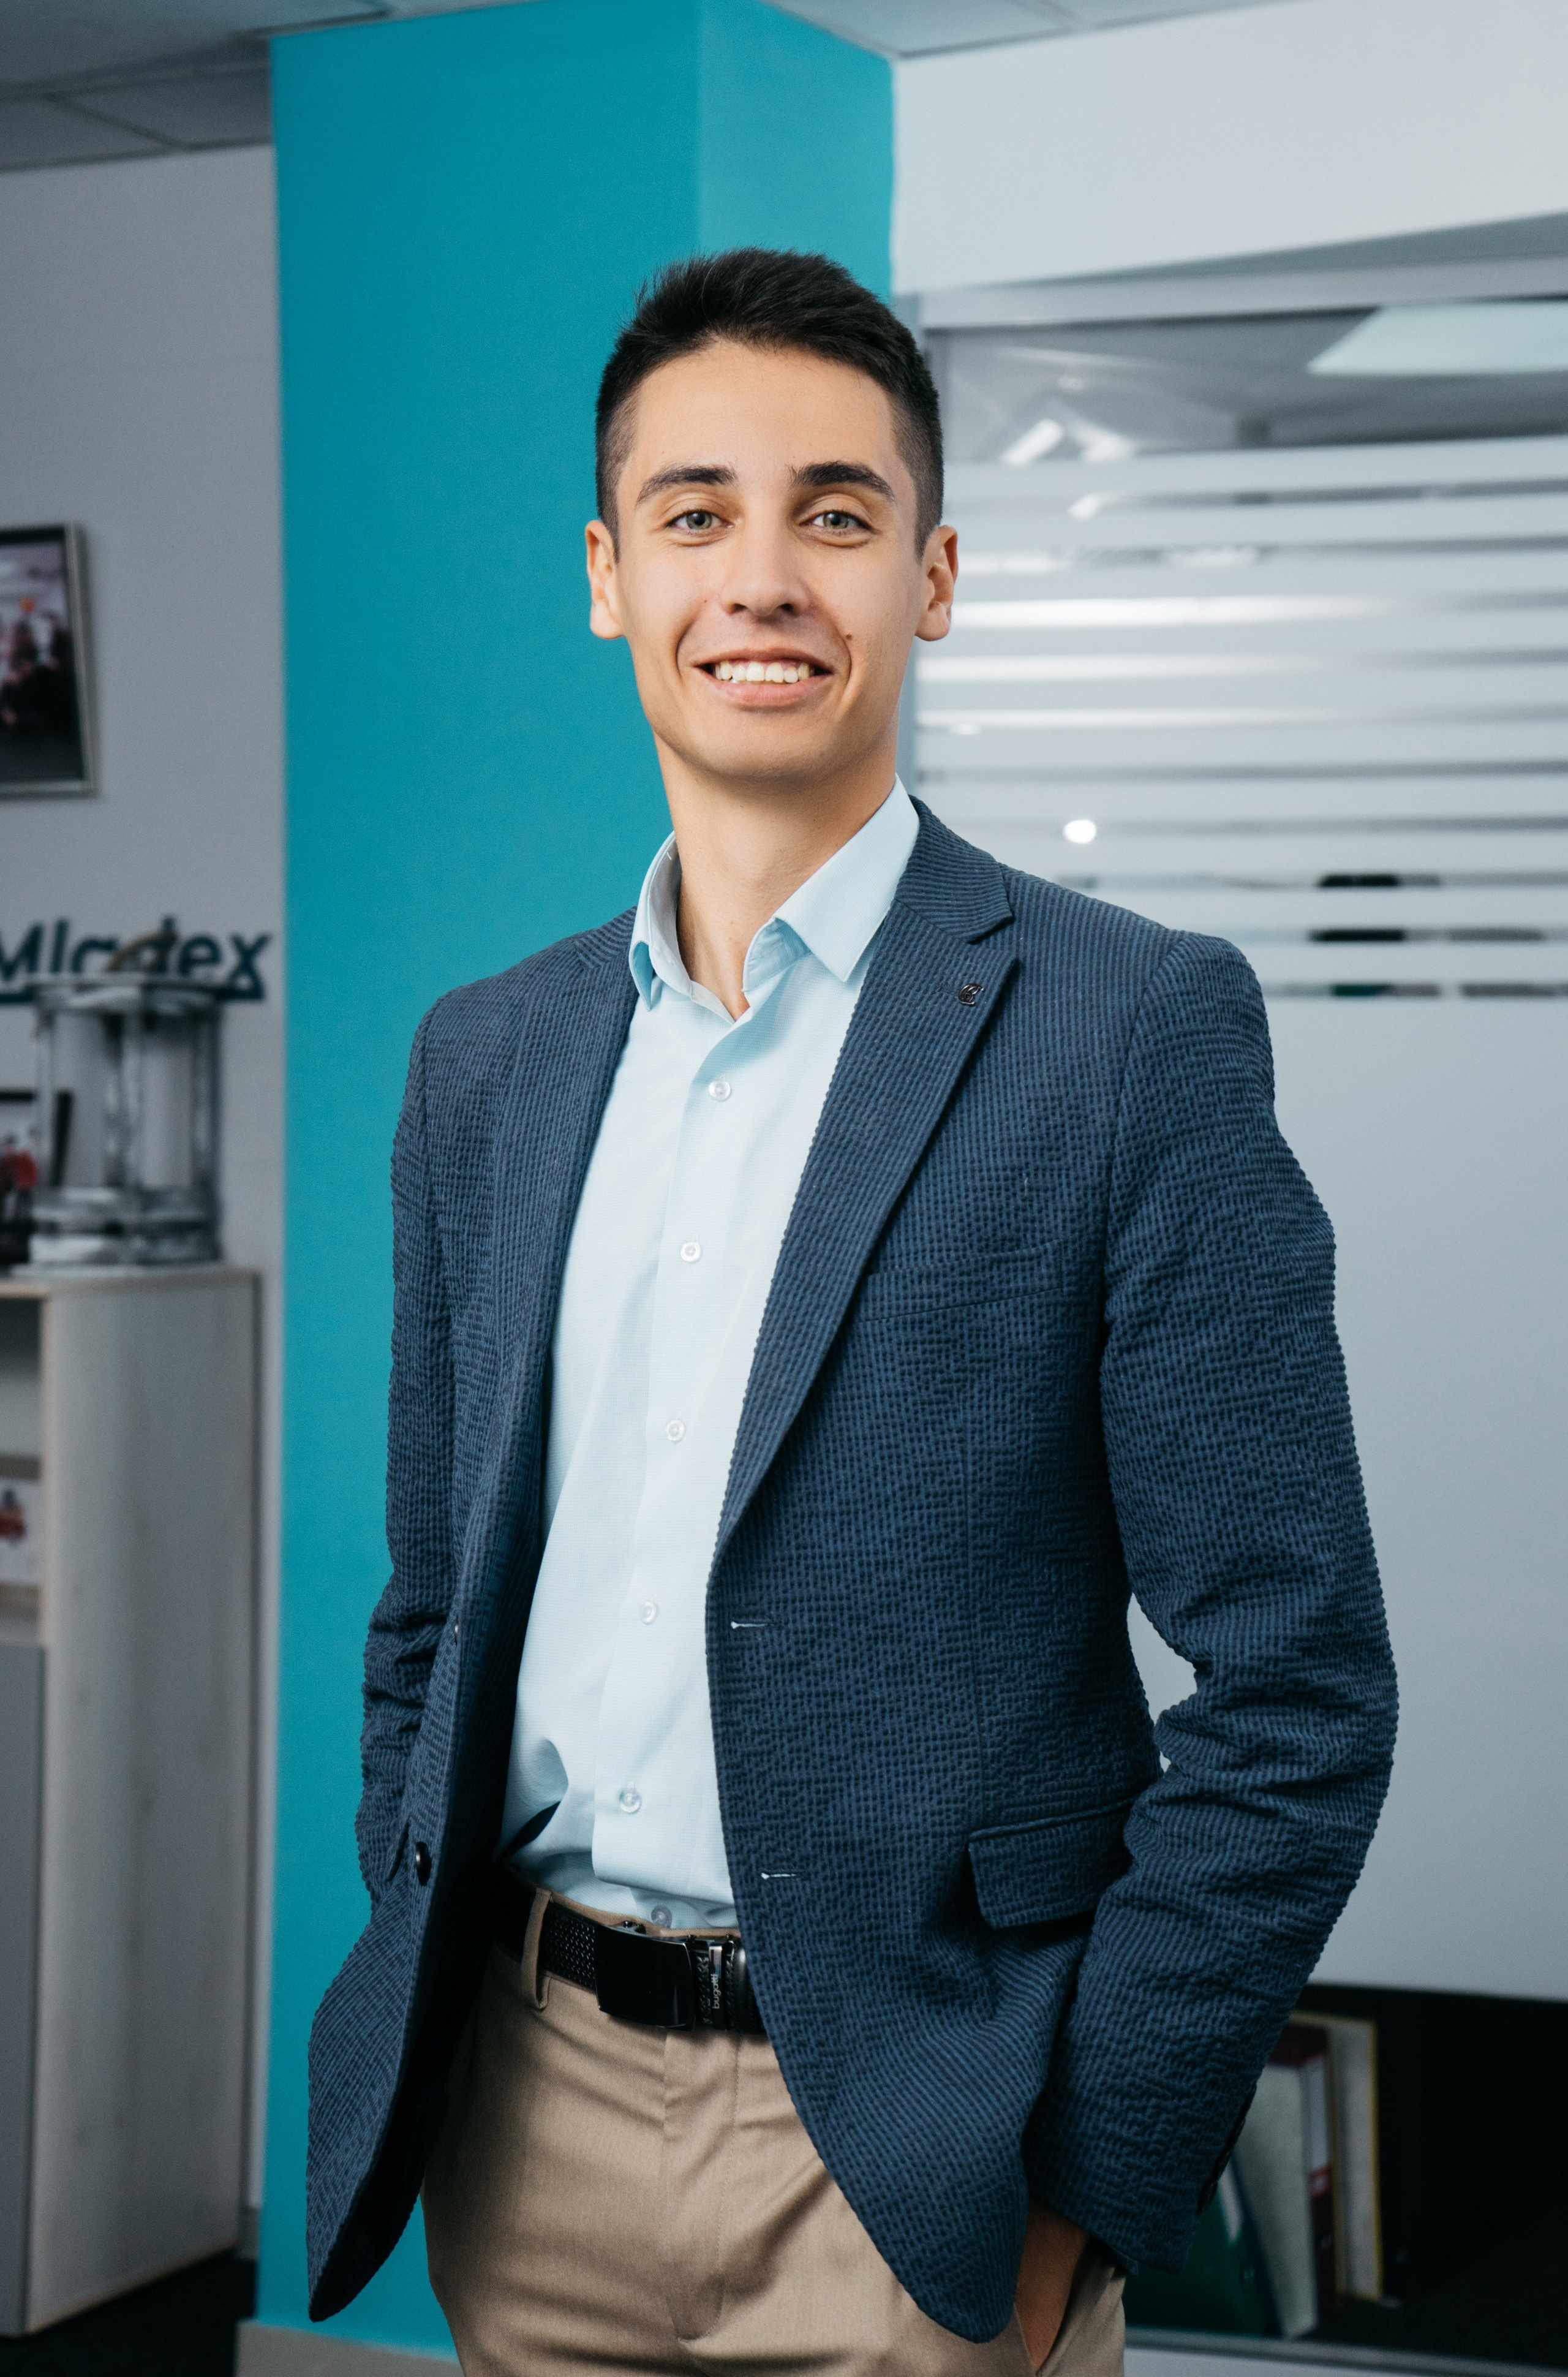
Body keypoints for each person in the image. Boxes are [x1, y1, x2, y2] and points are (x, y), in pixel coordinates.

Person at [306, 248, 1396, 2376]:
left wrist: (1081, 2186)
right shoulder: (485, 1062)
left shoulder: (1129, 1031)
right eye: (694, 514)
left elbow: (1298, 1688)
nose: (763, 578)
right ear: (610, 579)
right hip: (526, 2125)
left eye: (834, 511)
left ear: (934, 575)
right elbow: (431, 1607)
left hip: (916, 2162)